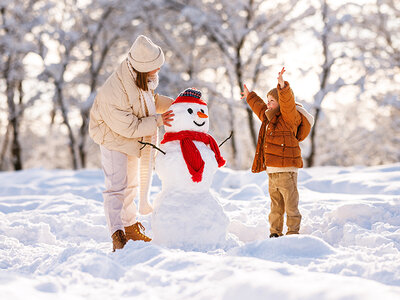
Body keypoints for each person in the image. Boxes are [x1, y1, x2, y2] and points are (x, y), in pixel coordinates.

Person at [89, 35, 175, 251]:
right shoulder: (115, 90)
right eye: (155, 68)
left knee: (132, 184)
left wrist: (177, 105)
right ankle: (117, 233)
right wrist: (158, 121)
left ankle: (130, 227)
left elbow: (149, 102)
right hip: (112, 137)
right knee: (117, 186)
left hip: (129, 136)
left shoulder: (140, 80)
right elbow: (129, 126)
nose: (158, 71)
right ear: (144, 68)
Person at [241, 67, 314, 237]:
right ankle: (275, 233)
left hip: (287, 171)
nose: (268, 103)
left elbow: (288, 103)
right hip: (272, 172)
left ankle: (293, 232)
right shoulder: (269, 119)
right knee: (275, 207)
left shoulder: (289, 118)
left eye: (272, 100)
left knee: (290, 205)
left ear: (281, 103)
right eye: (268, 100)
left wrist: (282, 87)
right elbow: (260, 108)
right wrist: (250, 95)